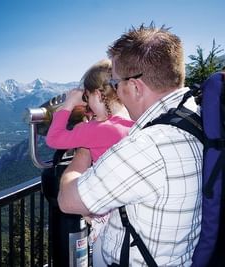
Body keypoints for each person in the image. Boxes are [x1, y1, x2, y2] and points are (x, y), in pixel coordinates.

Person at [57, 24, 203, 267]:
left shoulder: (148, 146)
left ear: (135, 87)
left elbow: (68, 200)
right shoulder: (194, 115)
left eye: (116, 83)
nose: (116, 92)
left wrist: (81, 154)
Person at [45, 59, 134, 245]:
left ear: (98, 94)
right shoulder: (131, 120)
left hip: (106, 218)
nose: (87, 103)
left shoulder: (96, 129)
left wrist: (68, 105)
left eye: (87, 97)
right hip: (129, 210)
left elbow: (53, 139)